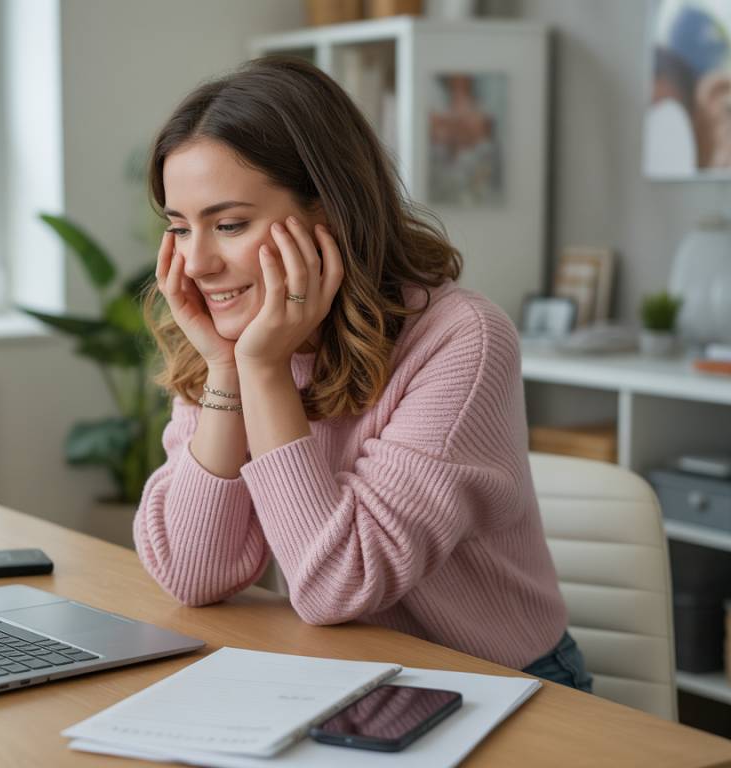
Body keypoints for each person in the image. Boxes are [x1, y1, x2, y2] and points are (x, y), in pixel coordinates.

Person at [134, 56, 591, 693]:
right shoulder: (228, 341)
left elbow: (337, 584)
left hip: (500, 683)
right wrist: (226, 370)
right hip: (346, 677)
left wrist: (263, 369)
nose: (197, 263)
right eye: (180, 229)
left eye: (229, 224)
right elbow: (192, 574)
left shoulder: (460, 338)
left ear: (327, 212)